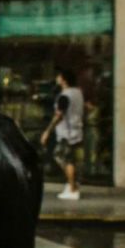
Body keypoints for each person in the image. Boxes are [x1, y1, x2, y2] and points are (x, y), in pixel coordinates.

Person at [41, 69, 84, 200]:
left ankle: (72, 188)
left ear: (64, 79)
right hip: (76, 130)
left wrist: (47, 131)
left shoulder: (65, 96)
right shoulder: (78, 93)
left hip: (67, 133)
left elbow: (59, 115)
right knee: (70, 159)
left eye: (59, 76)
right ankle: (72, 184)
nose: (57, 78)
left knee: (62, 157)